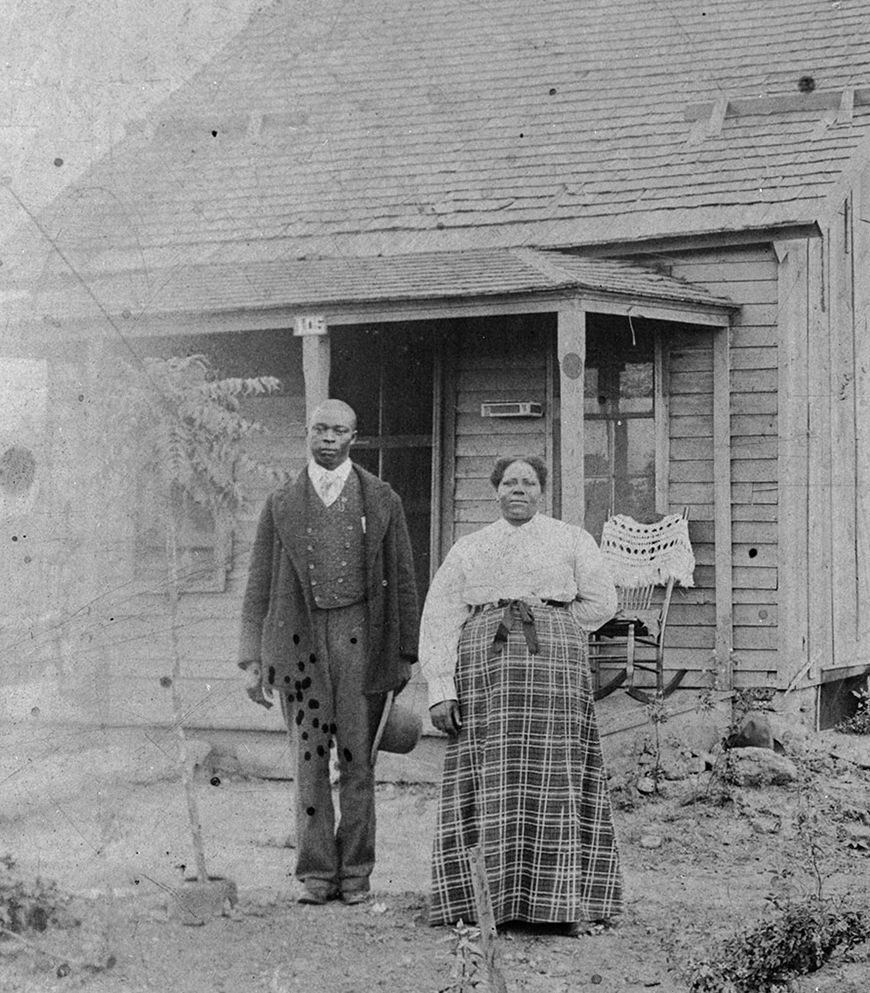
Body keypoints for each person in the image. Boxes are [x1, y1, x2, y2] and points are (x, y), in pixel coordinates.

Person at [419, 455, 622, 933]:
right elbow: (442, 615)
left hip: (554, 671)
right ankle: (478, 903)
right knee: (490, 774)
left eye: (528, 482)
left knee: (556, 775)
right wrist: (441, 688)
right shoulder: (471, 547)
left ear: (541, 491)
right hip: (486, 672)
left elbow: (602, 601)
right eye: (509, 482)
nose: (518, 490)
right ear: (495, 491)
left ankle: (561, 904)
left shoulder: (571, 539)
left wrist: (556, 625)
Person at [239, 399, 421, 906]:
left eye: (338, 431)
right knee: (310, 759)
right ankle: (317, 872)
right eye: (319, 429)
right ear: (306, 433)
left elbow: (404, 579)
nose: (327, 439)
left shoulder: (381, 499)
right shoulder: (281, 503)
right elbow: (257, 585)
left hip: (360, 639)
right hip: (298, 641)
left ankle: (357, 873)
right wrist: (251, 657)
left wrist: (405, 651)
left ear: (353, 438)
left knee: (358, 760)